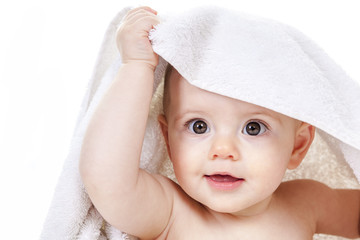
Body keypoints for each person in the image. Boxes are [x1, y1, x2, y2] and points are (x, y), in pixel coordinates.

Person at [79, 6, 360, 239]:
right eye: (198, 126)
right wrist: (137, 66)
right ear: (168, 139)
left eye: (253, 128)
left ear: (298, 146)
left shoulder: (306, 203)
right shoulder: (170, 213)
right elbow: (107, 180)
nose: (223, 150)